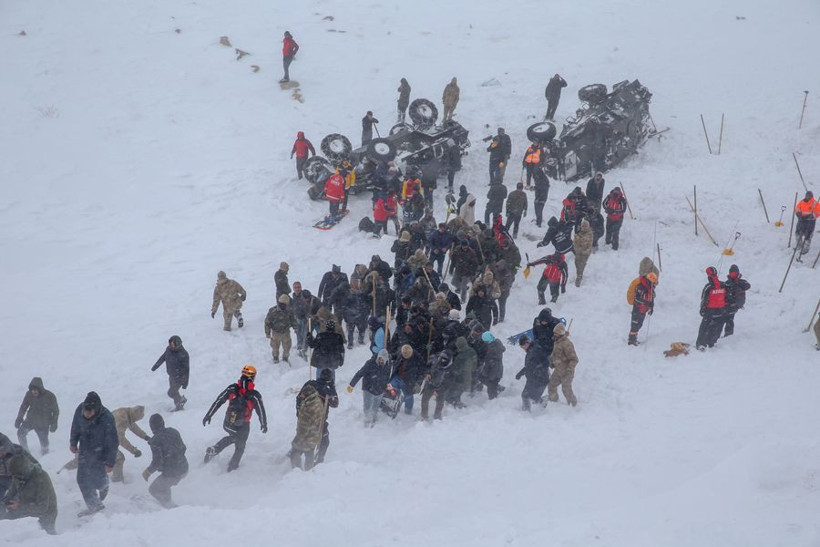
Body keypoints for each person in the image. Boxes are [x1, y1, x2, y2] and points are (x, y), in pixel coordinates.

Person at [202, 366, 267, 472]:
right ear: (253, 378)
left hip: (228, 423)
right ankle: (232, 466)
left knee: (235, 437)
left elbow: (218, 401)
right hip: (244, 425)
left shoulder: (232, 388)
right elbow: (261, 410)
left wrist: (209, 415)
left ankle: (215, 450)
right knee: (240, 444)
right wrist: (264, 424)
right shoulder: (254, 395)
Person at [70, 391, 118, 516]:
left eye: (89, 413)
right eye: (85, 413)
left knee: (97, 481)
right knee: (82, 479)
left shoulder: (107, 418)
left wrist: (110, 462)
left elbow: (113, 442)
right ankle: (94, 505)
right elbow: (75, 427)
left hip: (100, 453)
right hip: (85, 450)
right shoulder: (80, 410)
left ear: (96, 411)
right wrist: (73, 442)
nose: (86, 415)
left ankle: (104, 485)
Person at [0, 452, 57, 534]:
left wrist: (20, 506)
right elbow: (11, 492)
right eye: (14, 476)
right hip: (26, 509)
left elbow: (42, 508)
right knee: (6, 525)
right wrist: (4, 502)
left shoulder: (41, 478)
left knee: (43, 536)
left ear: (24, 471)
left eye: (17, 475)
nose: (15, 478)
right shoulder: (18, 475)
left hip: (45, 514)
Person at [142, 413, 187, 509]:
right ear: (163, 423)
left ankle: (170, 508)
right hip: (184, 467)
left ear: (151, 427)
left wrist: (148, 471)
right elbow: (183, 448)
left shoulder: (155, 440)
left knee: (153, 489)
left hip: (173, 473)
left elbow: (157, 461)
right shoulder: (173, 431)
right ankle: (169, 503)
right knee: (163, 484)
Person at [15, 378, 59, 455]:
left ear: (40, 388)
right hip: (30, 421)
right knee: (20, 433)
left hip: (43, 424)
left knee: (44, 443)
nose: (34, 391)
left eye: (36, 390)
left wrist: (54, 423)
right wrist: (19, 418)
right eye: (32, 390)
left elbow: (55, 411)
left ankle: (45, 455)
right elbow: (23, 407)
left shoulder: (50, 396)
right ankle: (26, 452)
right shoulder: (29, 394)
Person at [348, 349, 392, 427]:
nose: (381, 361)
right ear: (378, 357)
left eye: (383, 360)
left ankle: (374, 417)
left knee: (376, 405)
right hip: (368, 387)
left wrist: (387, 385)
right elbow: (360, 373)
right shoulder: (370, 363)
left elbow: (387, 376)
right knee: (367, 405)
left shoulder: (388, 365)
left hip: (380, 388)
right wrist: (351, 385)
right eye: (380, 359)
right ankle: (367, 419)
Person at [290, 381, 325, 470]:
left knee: (295, 453)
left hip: (307, 437)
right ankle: (308, 472)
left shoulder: (309, 407)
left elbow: (305, 427)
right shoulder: (316, 401)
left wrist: (299, 439)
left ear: (308, 395)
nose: (301, 396)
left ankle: (297, 471)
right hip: (313, 436)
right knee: (309, 454)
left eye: (303, 395)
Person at [111, 406, 150, 483]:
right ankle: (117, 481)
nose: (136, 420)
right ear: (135, 414)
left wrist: (145, 436)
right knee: (119, 458)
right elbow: (120, 439)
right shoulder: (122, 419)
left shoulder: (127, 412)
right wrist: (133, 450)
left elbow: (133, 427)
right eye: (137, 419)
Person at [151, 335, 189, 411]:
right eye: (170, 344)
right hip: (171, 376)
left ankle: (180, 403)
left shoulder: (183, 354)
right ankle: (179, 405)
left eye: (173, 344)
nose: (171, 346)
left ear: (178, 344)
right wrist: (156, 366)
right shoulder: (168, 350)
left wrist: (185, 383)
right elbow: (163, 357)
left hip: (180, 377)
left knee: (171, 392)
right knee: (174, 392)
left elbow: (187, 369)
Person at [696, 267, 729, 350]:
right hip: (721, 310)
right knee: (717, 327)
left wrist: (702, 309)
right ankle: (711, 342)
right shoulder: (723, 284)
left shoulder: (708, 286)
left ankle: (701, 344)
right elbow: (727, 297)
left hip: (710, 311)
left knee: (704, 327)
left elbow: (704, 299)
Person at [387, 345, 424, 416]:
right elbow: (395, 356)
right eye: (403, 355)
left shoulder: (417, 358)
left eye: (407, 356)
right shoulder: (401, 352)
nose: (404, 357)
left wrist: (419, 383)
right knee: (391, 389)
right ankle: (391, 405)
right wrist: (390, 356)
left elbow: (422, 371)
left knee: (408, 396)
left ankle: (408, 411)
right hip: (397, 376)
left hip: (409, 380)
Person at [516, 336, 550, 411]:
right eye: (521, 347)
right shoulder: (531, 349)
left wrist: (539, 368)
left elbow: (547, 361)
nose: (523, 348)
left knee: (525, 396)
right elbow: (529, 366)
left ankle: (526, 413)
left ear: (527, 342)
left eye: (523, 346)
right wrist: (521, 373)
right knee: (532, 397)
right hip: (533, 378)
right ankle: (543, 401)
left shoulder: (535, 350)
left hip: (539, 378)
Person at [547, 323, 578, 406]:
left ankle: (573, 404)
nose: (554, 334)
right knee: (551, 386)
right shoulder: (556, 342)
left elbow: (574, 359)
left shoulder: (567, 344)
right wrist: (552, 362)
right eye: (554, 332)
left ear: (561, 334)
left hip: (567, 372)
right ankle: (554, 403)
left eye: (556, 333)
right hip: (558, 371)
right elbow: (556, 355)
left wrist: (569, 370)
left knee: (566, 390)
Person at [420, 350, 457, 420]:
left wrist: (438, 390)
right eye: (440, 359)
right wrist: (427, 373)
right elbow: (426, 367)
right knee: (424, 399)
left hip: (442, 387)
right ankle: (424, 416)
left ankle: (437, 417)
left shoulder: (452, 369)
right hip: (430, 383)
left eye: (444, 360)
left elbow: (448, 384)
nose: (441, 361)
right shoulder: (434, 360)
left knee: (440, 402)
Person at [265, 294, 298, 364]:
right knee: (275, 347)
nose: (283, 305)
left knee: (287, 347)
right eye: (282, 304)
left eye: (285, 304)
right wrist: (267, 332)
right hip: (275, 333)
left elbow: (293, 320)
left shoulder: (289, 311)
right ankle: (275, 357)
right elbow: (267, 322)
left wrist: (296, 328)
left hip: (286, 332)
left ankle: (285, 358)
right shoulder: (272, 311)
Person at [628, 272, 658, 346]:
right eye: (653, 283)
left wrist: (651, 307)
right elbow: (637, 298)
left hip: (644, 309)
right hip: (637, 308)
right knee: (635, 324)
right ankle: (631, 340)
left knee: (639, 324)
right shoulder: (641, 287)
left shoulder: (650, 288)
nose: (654, 284)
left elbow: (651, 299)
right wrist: (646, 303)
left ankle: (634, 338)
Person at [723, 265, 751, 337]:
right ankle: (727, 334)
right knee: (727, 318)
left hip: (736, 303)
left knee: (729, 318)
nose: (733, 274)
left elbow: (747, 286)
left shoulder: (741, 282)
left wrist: (737, 282)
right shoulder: (727, 283)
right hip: (728, 303)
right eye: (731, 273)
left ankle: (728, 334)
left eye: (735, 273)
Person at [478, 331, 505, 399]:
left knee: (491, 390)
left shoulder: (491, 350)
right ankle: (497, 388)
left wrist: (484, 372)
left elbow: (488, 365)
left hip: (493, 373)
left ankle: (494, 403)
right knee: (492, 385)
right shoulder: (497, 343)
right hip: (499, 370)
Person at [794, 190, 819, 259]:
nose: (807, 197)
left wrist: (812, 215)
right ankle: (799, 246)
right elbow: (797, 208)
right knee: (797, 233)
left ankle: (806, 248)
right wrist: (797, 213)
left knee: (808, 236)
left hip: (810, 221)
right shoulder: (802, 202)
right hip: (801, 220)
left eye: (809, 196)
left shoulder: (815, 203)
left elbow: (818, 212)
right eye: (806, 195)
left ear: (811, 196)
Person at [573, 218, 593, 287]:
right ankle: (579, 274)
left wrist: (586, 251)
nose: (584, 228)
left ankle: (579, 277)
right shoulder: (578, 233)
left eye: (585, 226)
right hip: (578, 251)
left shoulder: (590, 234)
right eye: (583, 226)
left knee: (581, 264)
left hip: (585, 252)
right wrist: (576, 239)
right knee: (576, 263)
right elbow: (575, 242)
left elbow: (589, 243)